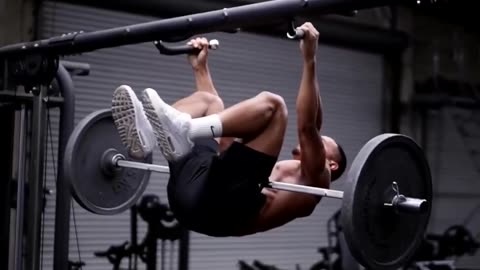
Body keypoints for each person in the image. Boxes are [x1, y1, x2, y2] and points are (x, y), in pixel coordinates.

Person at [111, 22, 347, 237]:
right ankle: (149, 134)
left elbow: (309, 126)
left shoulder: (318, 180)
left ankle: (179, 128)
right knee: (209, 102)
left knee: (274, 107)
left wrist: (310, 59)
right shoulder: (279, 169)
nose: (317, 138)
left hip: (222, 213)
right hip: (194, 190)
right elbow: (223, 140)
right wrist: (200, 69)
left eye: (323, 140)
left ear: (332, 163)